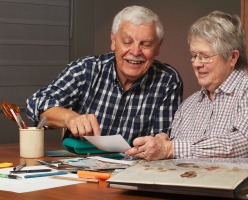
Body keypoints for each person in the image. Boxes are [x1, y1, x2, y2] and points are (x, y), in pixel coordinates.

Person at [125, 10, 248, 160]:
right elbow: (176, 154)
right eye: (193, 55)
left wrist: (171, 149)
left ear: (232, 57)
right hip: (198, 188)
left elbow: (246, 146)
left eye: (204, 56)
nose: (196, 63)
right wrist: (160, 144)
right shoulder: (188, 105)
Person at [26, 5, 183, 143]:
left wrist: (158, 144)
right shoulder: (86, 69)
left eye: (146, 44)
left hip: (135, 169)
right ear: (113, 41)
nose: (135, 52)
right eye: (127, 42)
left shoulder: (168, 80)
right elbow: (36, 103)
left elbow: (163, 138)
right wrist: (70, 118)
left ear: (158, 47)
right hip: (79, 166)